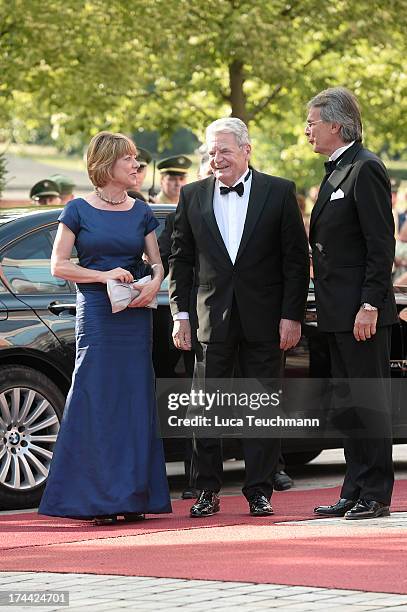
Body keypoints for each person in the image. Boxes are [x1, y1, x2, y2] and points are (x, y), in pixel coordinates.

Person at [169, 117, 309, 518]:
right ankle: (206, 490)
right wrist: (180, 314)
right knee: (204, 406)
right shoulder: (192, 195)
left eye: (224, 151)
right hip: (209, 320)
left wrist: (291, 315)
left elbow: (295, 260)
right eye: (211, 152)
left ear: (246, 150)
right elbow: (181, 259)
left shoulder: (279, 192)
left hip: (266, 320)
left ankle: (259, 490)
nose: (217, 159)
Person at [39, 131, 172, 524]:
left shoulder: (142, 210)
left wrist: (153, 284)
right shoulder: (77, 209)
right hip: (98, 317)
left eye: (137, 160)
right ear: (107, 163)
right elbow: (58, 266)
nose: (137, 166)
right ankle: (96, 500)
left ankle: (131, 497)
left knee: (133, 401)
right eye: (129, 159)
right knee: (96, 401)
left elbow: (158, 264)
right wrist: (102, 275)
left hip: (134, 315)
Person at [306, 87, 398, 520]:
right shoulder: (335, 170)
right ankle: (354, 487)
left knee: (369, 402)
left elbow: (380, 244)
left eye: (313, 123)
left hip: (361, 312)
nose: (307, 130)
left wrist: (370, 305)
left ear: (336, 126)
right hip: (336, 311)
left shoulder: (366, 168)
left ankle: (376, 493)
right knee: (348, 404)